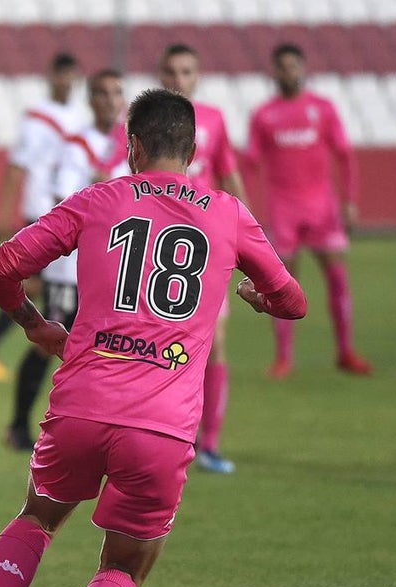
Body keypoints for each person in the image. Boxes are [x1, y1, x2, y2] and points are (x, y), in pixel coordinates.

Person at [0, 89, 307, 587]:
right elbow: (294, 300)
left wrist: (33, 324)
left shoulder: (99, 199)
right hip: (162, 425)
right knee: (124, 565)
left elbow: (0, 268)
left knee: (37, 517)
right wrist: (257, 300)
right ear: (194, 151)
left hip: (81, 403)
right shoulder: (228, 213)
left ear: (131, 146)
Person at [4, 68, 127, 452]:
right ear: (90, 100)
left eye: (115, 93)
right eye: (101, 94)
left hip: (111, 269)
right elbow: (65, 204)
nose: (109, 101)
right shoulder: (76, 146)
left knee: (105, 349)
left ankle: (92, 430)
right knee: (50, 343)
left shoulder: (132, 147)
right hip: (68, 268)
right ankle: (20, 425)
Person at [248, 43, 372, 378]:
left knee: (337, 278)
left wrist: (350, 200)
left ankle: (345, 351)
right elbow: (251, 163)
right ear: (273, 72)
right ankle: (284, 358)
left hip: (322, 207)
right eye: (281, 66)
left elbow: (345, 155)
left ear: (303, 68)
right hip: (283, 209)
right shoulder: (263, 115)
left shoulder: (323, 109)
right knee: (282, 283)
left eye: (293, 66)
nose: (288, 72)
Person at [160, 43, 249, 473]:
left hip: (205, 255)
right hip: (154, 252)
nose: (179, 78)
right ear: (161, 76)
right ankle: (167, 434)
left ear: (198, 75)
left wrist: (248, 241)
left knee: (215, 346)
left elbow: (230, 178)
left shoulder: (213, 120)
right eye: (172, 71)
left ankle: (209, 443)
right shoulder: (147, 123)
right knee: (157, 347)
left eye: (187, 70)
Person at [0, 52, 83, 384]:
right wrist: (5, 214)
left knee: (33, 285)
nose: (65, 81)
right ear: (51, 76)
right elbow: (16, 167)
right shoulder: (36, 118)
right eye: (60, 75)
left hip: (66, 212)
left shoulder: (79, 118)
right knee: (33, 284)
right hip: (39, 211)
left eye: (70, 75)